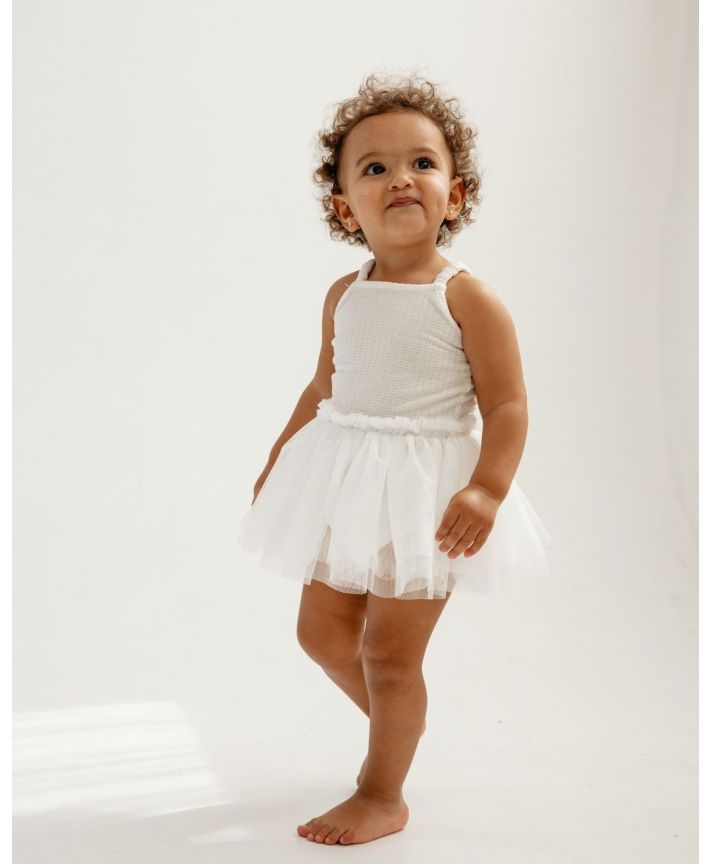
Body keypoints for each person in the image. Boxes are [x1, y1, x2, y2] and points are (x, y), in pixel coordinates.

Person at [236, 72, 553, 845]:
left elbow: (506, 405)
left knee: (388, 653)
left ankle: (381, 792)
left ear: (455, 193)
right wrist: (278, 459)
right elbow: (322, 386)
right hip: (344, 482)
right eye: (374, 168)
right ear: (346, 207)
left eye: (421, 163)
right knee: (322, 637)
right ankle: (398, 721)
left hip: (424, 497)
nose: (400, 178)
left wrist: (486, 489)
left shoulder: (466, 297)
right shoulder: (344, 293)